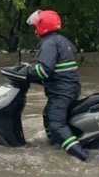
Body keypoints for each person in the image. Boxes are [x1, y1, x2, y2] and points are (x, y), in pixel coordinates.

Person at [25, 9, 89, 162]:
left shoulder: (49, 43)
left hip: (62, 91)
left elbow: (44, 70)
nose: (35, 30)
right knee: (48, 114)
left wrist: (27, 71)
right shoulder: (61, 41)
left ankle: (84, 157)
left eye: (36, 26)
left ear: (42, 25)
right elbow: (56, 69)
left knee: (56, 124)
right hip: (69, 87)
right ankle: (55, 145)